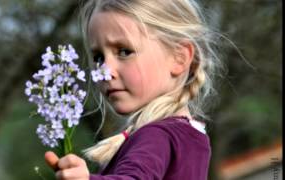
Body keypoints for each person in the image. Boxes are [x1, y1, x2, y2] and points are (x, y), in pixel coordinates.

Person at [45, 0, 223, 179]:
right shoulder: (188, 135)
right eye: (98, 58)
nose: (105, 72)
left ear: (180, 58)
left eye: (124, 51)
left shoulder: (157, 136)